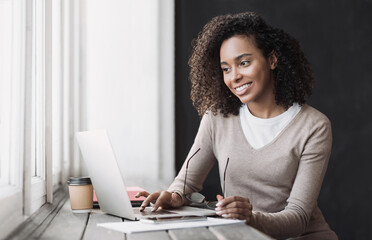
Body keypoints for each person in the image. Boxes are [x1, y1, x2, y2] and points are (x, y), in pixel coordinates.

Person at [136, 12, 338, 239]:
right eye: (226, 69)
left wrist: (249, 218)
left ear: (272, 60)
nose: (234, 77)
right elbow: (185, 184)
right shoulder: (217, 118)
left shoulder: (313, 126)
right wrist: (174, 196)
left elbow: (298, 218)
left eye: (244, 63)